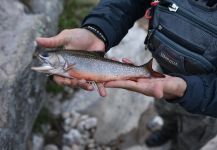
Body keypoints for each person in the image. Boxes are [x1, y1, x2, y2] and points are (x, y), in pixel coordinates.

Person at [36, 0, 217, 149]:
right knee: (165, 108)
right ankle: (168, 128)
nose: (44, 59)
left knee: (190, 138)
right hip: (165, 73)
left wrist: (184, 89)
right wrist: (97, 30)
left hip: (206, 101)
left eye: (47, 57)